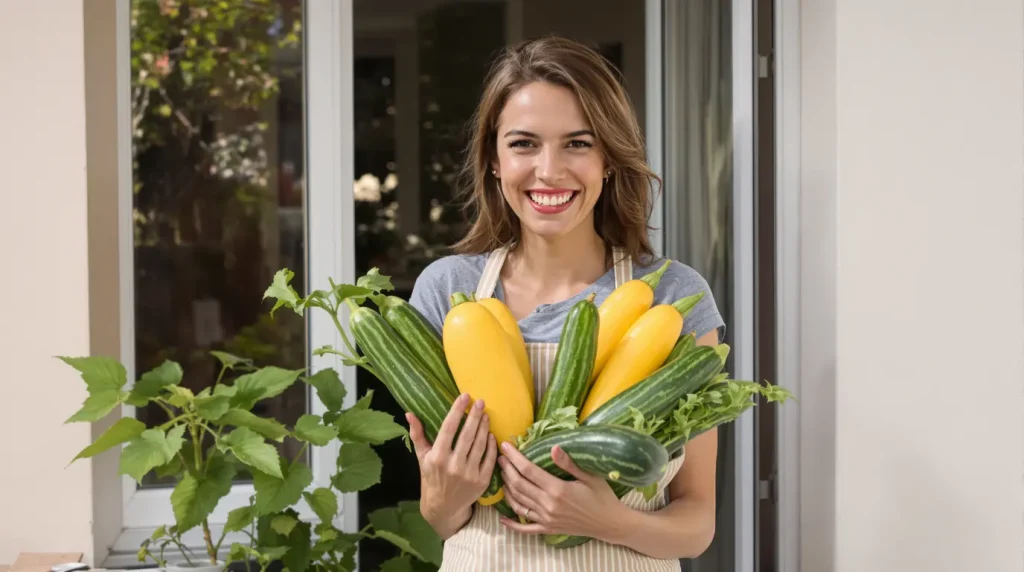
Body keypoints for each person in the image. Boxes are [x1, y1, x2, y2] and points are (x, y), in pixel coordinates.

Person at [404, 35, 727, 571]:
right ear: (492, 159)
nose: (549, 171)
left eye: (577, 143)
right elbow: (440, 518)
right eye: (524, 144)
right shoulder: (445, 290)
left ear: (608, 159)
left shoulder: (675, 297)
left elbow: (697, 523)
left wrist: (609, 521)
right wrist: (444, 497)